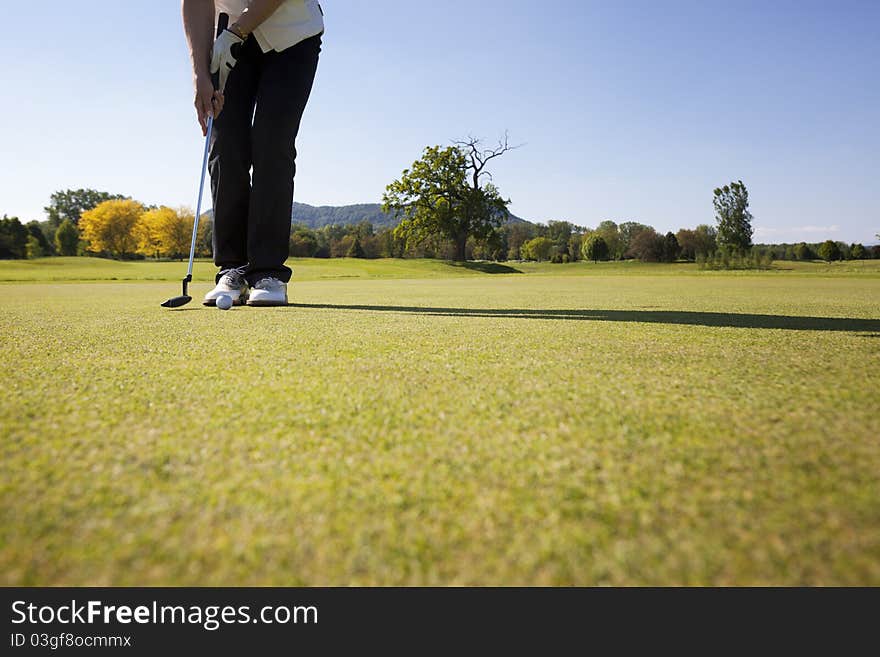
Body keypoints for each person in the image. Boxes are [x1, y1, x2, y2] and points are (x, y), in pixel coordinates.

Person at [181, 0, 324, 306]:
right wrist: (199, 75)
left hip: (293, 35)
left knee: (272, 144)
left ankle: (267, 273)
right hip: (229, 37)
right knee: (225, 146)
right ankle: (231, 269)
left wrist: (237, 31)